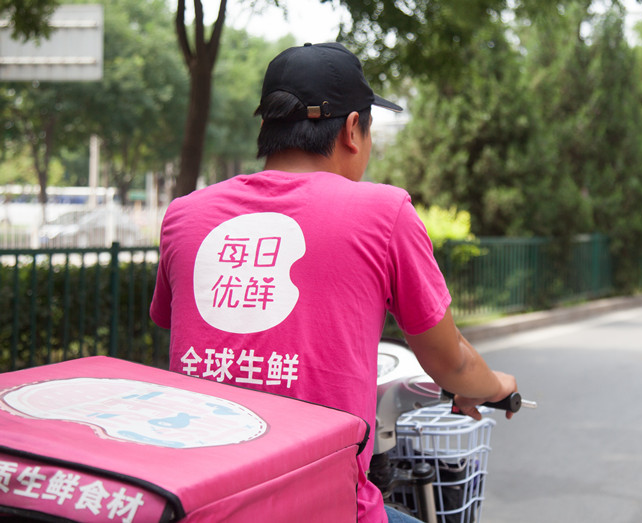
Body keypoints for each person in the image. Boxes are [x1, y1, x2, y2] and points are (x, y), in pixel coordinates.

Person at [149, 42, 517, 523]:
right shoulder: (383, 213)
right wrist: (493, 385)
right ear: (351, 130)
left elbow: (181, 323)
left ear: (267, 128)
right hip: (324, 508)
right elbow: (451, 363)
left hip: (196, 503)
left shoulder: (185, 215)